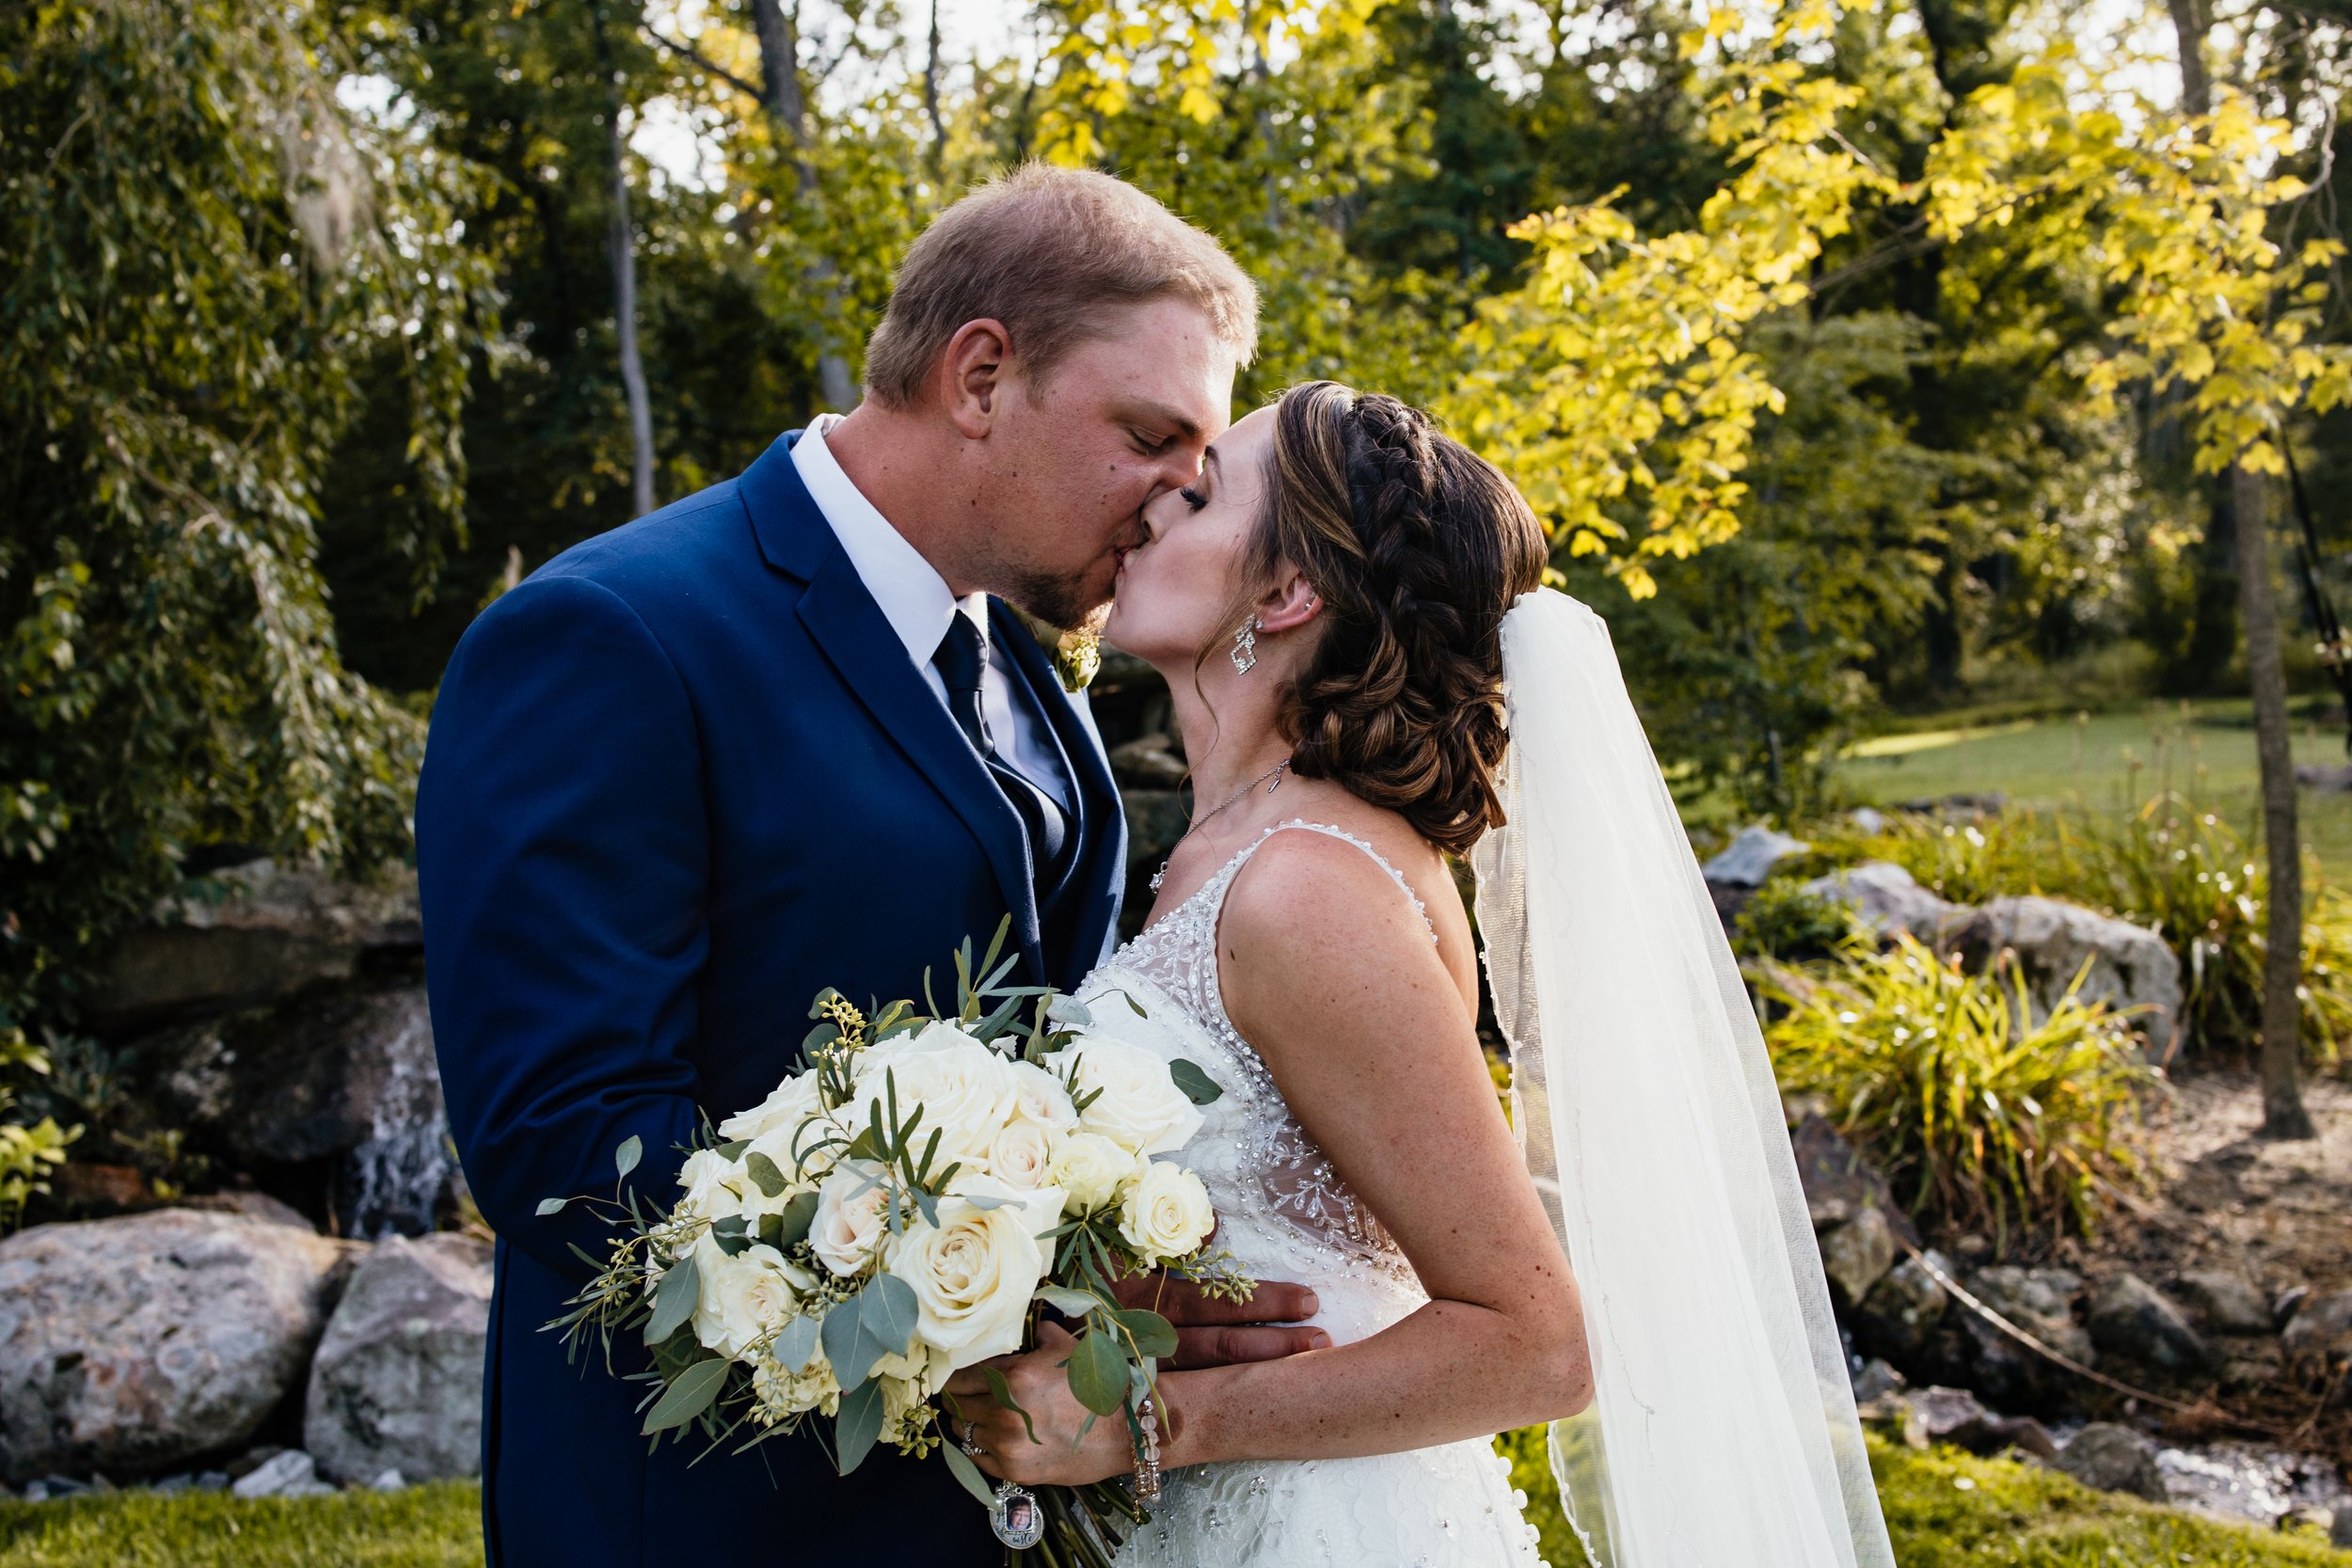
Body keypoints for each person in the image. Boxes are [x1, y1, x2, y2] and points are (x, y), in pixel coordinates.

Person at [416, 166, 1328, 1568]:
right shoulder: (614, 634)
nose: (1170, 501)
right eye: (1149, 436)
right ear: (980, 375)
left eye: (1197, 469)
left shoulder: (1032, 669)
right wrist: (1001, 1293)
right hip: (712, 1514)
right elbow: (562, 1141)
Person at [948, 384, 1898, 1568]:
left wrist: (1158, 1418)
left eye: (1195, 494)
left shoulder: (1305, 887)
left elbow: (1535, 1341)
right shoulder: (1227, 850)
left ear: (1287, 593)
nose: (1146, 504)